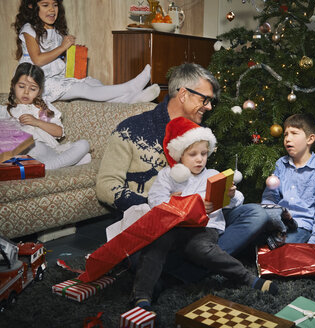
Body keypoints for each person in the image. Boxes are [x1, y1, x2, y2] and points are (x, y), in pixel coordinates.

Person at [96, 62, 269, 264]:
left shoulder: (201, 133)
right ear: (184, 94)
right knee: (143, 253)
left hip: (201, 224)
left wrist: (225, 194)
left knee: (256, 214)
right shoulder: (131, 129)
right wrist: (161, 208)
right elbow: (106, 185)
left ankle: (189, 265)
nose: (210, 107)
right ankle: (205, 264)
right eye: (204, 99)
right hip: (156, 225)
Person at [132, 117, 278, 310]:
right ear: (179, 155)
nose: (200, 159)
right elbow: (155, 199)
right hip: (174, 228)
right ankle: (142, 294)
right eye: (193, 154)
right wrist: (176, 200)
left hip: (205, 228)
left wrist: (231, 195)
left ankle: (246, 278)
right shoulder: (168, 175)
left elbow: (236, 202)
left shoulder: (212, 175)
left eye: (203, 153)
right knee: (156, 244)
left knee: (200, 248)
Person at [13, 0, 159, 103]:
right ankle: (129, 87)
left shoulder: (56, 31)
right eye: (45, 5)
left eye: (55, 5)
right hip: (37, 82)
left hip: (55, 76)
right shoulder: (29, 29)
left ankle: (130, 99)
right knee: (81, 88)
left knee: (92, 82)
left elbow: (57, 60)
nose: (52, 9)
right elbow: (37, 60)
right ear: (32, 7)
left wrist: (72, 54)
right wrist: (63, 47)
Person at [0, 62, 90, 170]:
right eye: (21, 86)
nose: (26, 92)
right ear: (13, 85)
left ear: (39, 92)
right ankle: (67, 162)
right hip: (23, 153)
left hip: (48, 151)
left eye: (32, 89)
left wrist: (36, 122)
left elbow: (59, 132)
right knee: (30, 145)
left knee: (84, 144)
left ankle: (46, 166)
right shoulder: (5, 111)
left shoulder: (42, 109)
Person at [261, 113, 315, 244]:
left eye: (294, 133)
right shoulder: (280, 164)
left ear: (310, 139)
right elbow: (270, 196)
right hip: (279, 223)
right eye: (285, 134)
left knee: (284, 249)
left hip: (302, 227)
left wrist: (314, 241)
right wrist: (271, 216)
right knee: (255, 243)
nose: (288, 139)